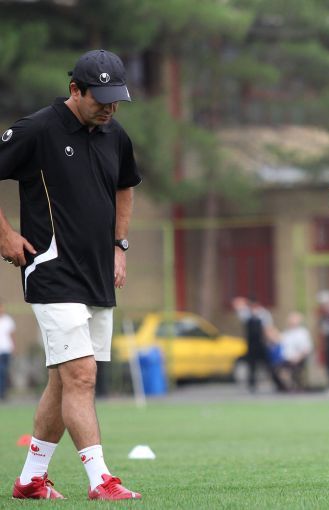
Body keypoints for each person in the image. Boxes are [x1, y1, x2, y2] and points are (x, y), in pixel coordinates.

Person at [0, 50, 142, 499]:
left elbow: (125, 187)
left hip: (97, 276)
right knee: (81, 375)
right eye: (100, 98)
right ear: (75, 90)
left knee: (64, 381)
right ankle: (101, 480)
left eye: (116, 98)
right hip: (51, 271)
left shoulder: (115, 135)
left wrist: (119, 246)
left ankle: (30, 480)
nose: (110, 107)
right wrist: (5, 234)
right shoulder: (37, 130)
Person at [231, 296, 287, 393]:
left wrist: (272, 340)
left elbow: (268, 328)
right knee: (252, 366)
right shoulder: (247, 314)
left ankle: (278, 384)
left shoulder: (263, 314)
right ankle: (252, 386)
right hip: (251, 345)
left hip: (261, 344)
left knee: (268, 365)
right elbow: (239, 308)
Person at [276, 311, 313, 391]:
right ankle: (288, 387)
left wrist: (298, 357)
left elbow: (306, 348)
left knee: (291, 371)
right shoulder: (286, 333)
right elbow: (281, 346)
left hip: (298, 359)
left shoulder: (302, 333)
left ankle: (296, 386)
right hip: (286, 359)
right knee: (278, 369)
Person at [0, 299, 15, 400]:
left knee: (5, 372)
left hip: (7, 350)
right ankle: (1, 392)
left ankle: (3, 392)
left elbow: (12, 335)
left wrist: (13, 347)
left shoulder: (8, 320)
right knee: (1, 371)